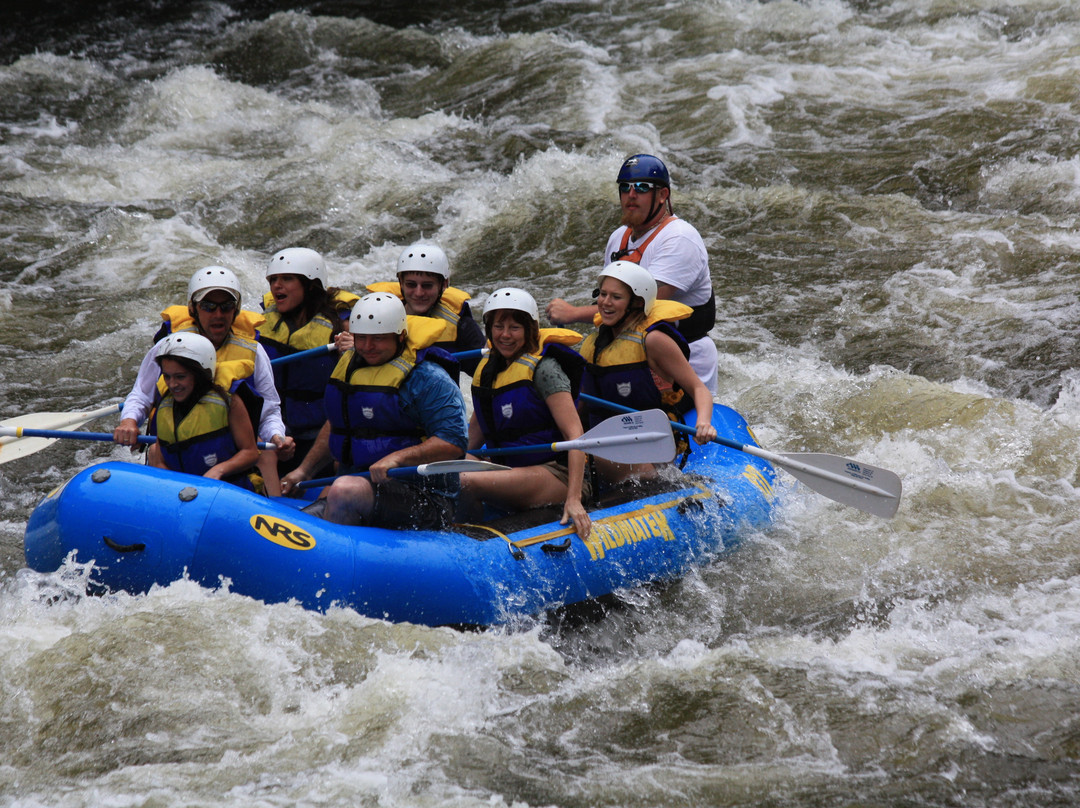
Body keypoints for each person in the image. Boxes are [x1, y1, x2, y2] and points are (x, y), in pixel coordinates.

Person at [279, 293, 468, 528]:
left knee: (345, 489)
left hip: (423, 498)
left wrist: (397, 458)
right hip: (359, 485)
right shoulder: (351, 367)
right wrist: (304, 472)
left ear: (400, 336)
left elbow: (454, 442)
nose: (368, 347)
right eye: (362, 338)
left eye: (378, 339)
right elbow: (340, 425)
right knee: (295, 527)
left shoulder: (429, 379)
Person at [546, 154, 719, 393]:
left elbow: (642, 307)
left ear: (662, 195)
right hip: (629, 354)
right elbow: (610, 300)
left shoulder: (679, 238)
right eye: (625, 187)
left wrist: (572, 313)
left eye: (642, 187)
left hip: (683, 357)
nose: (631, 194)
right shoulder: (618, 238)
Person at [113, 266, 295, 469]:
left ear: (235, 310)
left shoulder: (254, 351)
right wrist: (129, 422)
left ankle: (272, 498)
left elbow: (269, 411)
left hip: (231, 453)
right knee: (156, 450)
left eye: (226, 306)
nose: (218, 314)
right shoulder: (169, 348)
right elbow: (141, 395)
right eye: (208, 306)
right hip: (177, 449)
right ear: (193, 309)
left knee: (266, 452)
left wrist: (277, 436)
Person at [458, 288, 591, 539]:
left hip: (554, 474)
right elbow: (471, 442)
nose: (505, 335)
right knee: (446, 467)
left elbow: (576, 436)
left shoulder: (544, 370)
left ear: (530, 329)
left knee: (465, 480)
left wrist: (574, 499)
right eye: (498, 326)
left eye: (514, 328)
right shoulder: (488, 371)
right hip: (512, 471)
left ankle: (467, 541)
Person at [578, 261, 718, 485]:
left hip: (650, 447)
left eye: (616, 297)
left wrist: (704, 422)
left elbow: (698, 388)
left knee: (597, 456)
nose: (605, 302)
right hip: (602, 442)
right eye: (602, 294)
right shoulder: (592, 345)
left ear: (637, 302)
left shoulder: (653, 340)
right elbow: (582, 405)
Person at [257, 247, 358, 476]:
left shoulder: (341, 325)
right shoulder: (262, 322)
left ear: (311, 285)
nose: (276, 286)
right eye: (273, 280)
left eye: (287, 279)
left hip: (319, 436)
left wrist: (353, 350)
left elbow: (367, 369)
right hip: (276, 431)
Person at [145, 332, 263, 491]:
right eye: (167, 376)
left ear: (200, 374)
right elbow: (160, 459)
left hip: (227, 490)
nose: (172, 384)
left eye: (180, 377)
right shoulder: (165, 405)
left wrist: (219, 469)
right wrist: (175, 486)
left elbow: (250, 452)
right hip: (182, 492)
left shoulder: (229, 402)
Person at [366, 243, 486, 374]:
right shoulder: (376, 316)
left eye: (427, 285)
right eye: (411, 285)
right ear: (400, 282)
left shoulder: (462, 326)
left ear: (444, 285)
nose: (418, 293)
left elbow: (484, 373)